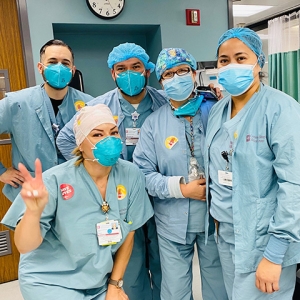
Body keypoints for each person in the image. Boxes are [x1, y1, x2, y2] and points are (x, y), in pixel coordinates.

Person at [1, 104, 153, 300]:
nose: (109, 139)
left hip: (96, 281)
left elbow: (129, 234)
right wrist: (33, 212)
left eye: (114, 132)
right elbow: (24, 246)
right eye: (97, 134)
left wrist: (115, 284)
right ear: (80, 144)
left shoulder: (131, 175)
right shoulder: (54, 180)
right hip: (49, 280)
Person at [56, 43, 165, 300]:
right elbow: (66, 139)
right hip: (119, 198)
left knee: (166, 265)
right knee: (132, 262)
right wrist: (94, 170)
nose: (129, 73)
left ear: (147, 71)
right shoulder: (99, 107)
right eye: (121, 69)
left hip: (161, 197)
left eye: (136, 67)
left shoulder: (163, 103)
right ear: (113, 73)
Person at [205, 27, 300, 300]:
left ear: (259, 61)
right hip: (225, 233)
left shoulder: (281, 109)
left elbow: (294, 185)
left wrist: (275, 253)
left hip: (263, 240)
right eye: (224, 60)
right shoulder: (218, 111)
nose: (231, 65)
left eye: (241, 58)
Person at [133, 48, 227, 300]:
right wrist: (181, 188)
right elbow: (143, 173)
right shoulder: (154, 124)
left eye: (183, 71)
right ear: (161, 81)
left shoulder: (215, 111)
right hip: (172, 221)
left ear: (194, 73)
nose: (176, 78)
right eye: (169, 74)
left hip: (214, 217)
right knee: (175, 291)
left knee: (219, 287)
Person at [0, 39, 93, 202]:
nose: (59, 67)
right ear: (40, 67)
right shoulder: (16, 103)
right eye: (52, 62)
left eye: (65, 63)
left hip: (77, 193)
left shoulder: (88, 104)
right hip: (32, 194)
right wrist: (1, 172)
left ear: (73, 70)